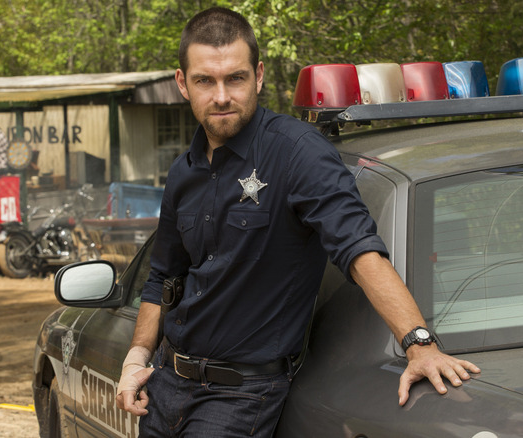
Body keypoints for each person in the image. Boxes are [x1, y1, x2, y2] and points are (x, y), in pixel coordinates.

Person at [115, 7, 480, 437]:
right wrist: (136, 359)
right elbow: (164, 276)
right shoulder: (184, 171)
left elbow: (360, 251)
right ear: (182, 83)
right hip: (164, 387)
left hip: (239, 396)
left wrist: (419, 344)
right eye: (204, 81)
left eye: (236, 78)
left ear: (259, 76)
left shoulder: (297, 153)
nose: (221, 96)